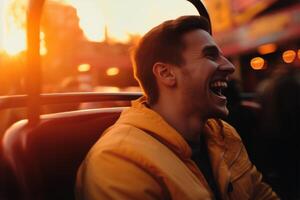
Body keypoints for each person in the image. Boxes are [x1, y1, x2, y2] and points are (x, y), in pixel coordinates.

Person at [75, 16, 278, 200]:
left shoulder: (223, 133)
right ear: (166, 73)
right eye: (210, 56)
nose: (229, 66)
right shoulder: (117, 160)